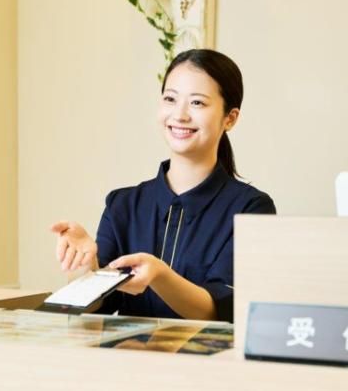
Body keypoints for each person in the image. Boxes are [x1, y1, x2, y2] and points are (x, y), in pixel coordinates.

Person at [50, 49, 275, 323]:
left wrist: (159, 275)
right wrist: (84, 268)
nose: (179, 115)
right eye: (170, 99)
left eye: (197, 103)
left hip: (207, 352)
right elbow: (97, 310)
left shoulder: (252, 209)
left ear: (230, 118)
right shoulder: (122, 204)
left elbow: (223, 310)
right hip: (127, 351)